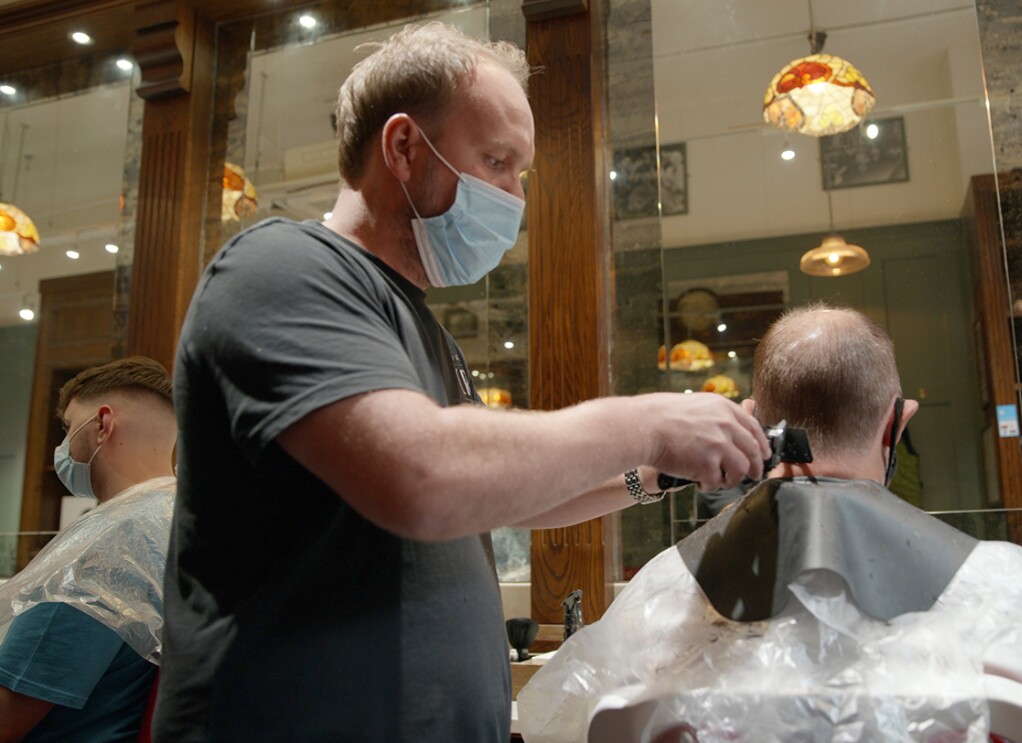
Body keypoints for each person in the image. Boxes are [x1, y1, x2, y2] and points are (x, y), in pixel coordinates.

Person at [153, 21, 770, 743]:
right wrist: (650, 421)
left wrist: (657, 472)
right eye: (498, 160)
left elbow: (500, 497)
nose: (515, 196)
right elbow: (424, 475)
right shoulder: (281, 269)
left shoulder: (426, 333)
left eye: (520, 172)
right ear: (405, 147)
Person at [518, 304, 1022, 742]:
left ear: (750, 421)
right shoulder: (1008, 587)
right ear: (895, 427)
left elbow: (563, 724)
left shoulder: (664, 593)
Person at [0, 356, 177, 742]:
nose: (62, 446)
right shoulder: (182, 521)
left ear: (102, 424)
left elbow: (7, 716)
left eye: (66, 429)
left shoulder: (108, 547)